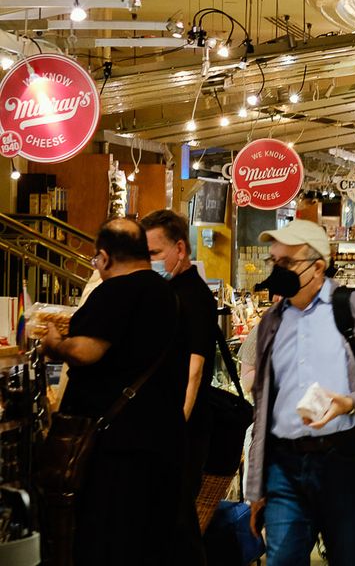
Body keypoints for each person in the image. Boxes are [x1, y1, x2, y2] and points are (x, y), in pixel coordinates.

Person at [245, 219, 355, 566]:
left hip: (345, 460)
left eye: (286, 263)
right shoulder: (272, 321)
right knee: (283, 558)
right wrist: (256, 486)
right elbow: (264, 402)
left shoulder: (352, 308)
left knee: (347, 557)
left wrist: (352, 402)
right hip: (284, 465)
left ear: (318, 266)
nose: (277, 270)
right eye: (273, 262)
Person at [40, 218, 189, 565]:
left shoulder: (115, 291)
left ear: (104, 258)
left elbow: (84, 351)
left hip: (118, 450)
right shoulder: (168, 293)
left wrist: (54, 345)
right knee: (149, 545)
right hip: (163, 444)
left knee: (108, 545)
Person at [142, 208, 219, 566]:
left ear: (180, 249)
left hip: (185, 430)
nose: (150, 261)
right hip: (170, 426)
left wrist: (176, 426)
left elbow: (195, 368)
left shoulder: (193, 297)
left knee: (178, 520)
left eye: (155, 253)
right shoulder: (168, 290)